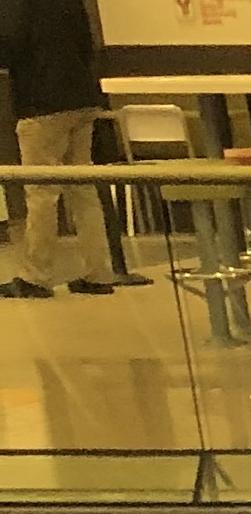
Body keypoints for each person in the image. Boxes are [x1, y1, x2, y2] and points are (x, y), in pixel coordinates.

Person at [0, 0, 149, 297]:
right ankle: (98, 272)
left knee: (42, 191)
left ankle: (36, 276)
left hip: (41, 103)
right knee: (84, 190)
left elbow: (10, 46)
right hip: (82, 97)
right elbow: (87, 42)